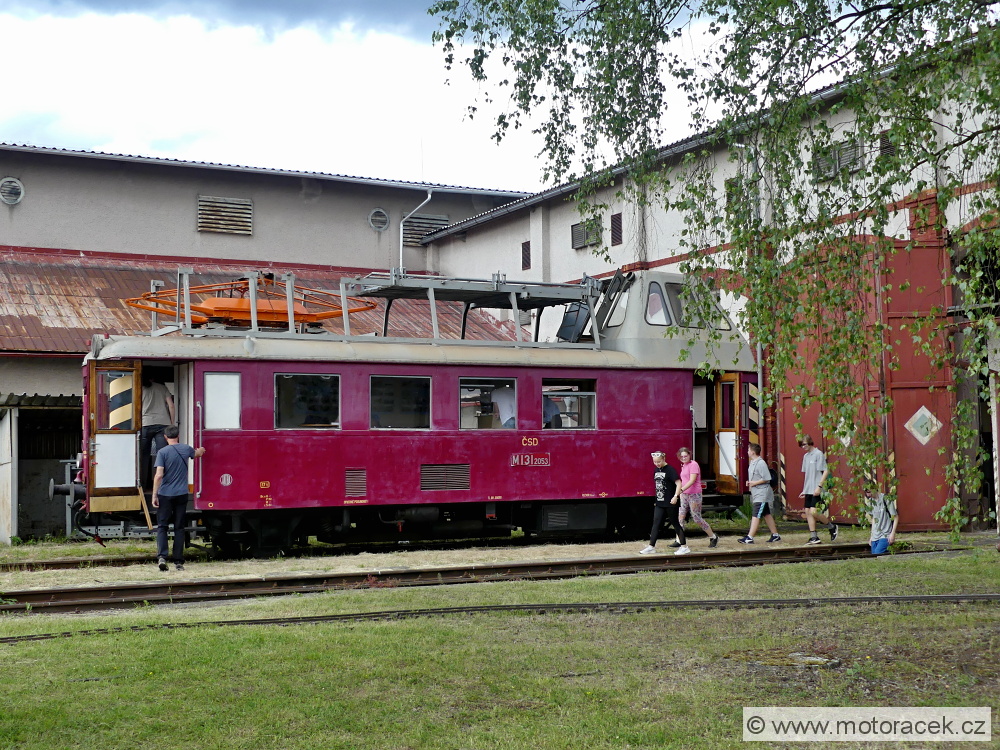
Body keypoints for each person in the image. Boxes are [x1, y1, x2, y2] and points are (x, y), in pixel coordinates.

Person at [151, 425, 206, 572]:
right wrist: (201, 449)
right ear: (178, 436)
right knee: (179, 527)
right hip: (181, 494)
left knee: (162, 526)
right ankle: (178, 561)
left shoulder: (162, 452)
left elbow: (159, 475)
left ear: (165, 437)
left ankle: (162, 557)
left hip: (165, 494)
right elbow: (197, 454)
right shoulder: (186, 449)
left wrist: (155, 494)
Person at [639, 451, 689, 555]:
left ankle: (684, 547)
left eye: (659, 462)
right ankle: (651, 546)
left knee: (675, 523)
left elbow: (679, 483)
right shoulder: (656, 470)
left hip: (671, 501)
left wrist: (676, 496)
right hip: (660, 501)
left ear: (664, 459)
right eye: (655, 462)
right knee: (656, 523)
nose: (657, 464)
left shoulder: (670, 470)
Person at [738, 443, 781, 543]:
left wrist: (754, 483)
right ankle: (775, 535)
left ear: (753, 452)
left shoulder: (761, 463)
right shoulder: (753, 463)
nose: (747, 452)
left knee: (756, 514)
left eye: (748, 450)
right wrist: (750, 482)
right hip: (757, 492)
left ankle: (750, 537)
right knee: (766, 513)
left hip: (762, 493)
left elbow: (767, 478)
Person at [798, 434, 838, 545]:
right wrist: (804, 490)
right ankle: (814, 537)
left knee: (814, 511)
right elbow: (807, 475)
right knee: (807, 511)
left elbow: (825, 471)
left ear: (810, 442)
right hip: (809, 488)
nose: (803, 447)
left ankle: (831, 526)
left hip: (817, 488)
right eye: (801, 445)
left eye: (804, 444)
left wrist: (819, 487)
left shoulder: (818, 454)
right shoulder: (806, 456)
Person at [677, 447, 719, 548]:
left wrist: (681, 489)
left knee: (696, 518)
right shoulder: (684, 466)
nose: (684, 458)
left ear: (689, 455)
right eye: (682, 456)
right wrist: (681, 491)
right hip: (684, 494)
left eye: (685, 456)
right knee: (680, 516)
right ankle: (679, 540)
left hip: (694, 494)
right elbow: (683, 480)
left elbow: (692, 480)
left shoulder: (693, 464)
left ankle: (713, 536)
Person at [140, 375, 175, 489]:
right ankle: (162, 485)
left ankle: (142, 485)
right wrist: (171, 423)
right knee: (162, 454)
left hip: (146, 423)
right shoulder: (162, 388)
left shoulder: (140, 388)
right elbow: (171, 406)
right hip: (163, 423)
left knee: (144, 455)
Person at [865, 487, 898, 555]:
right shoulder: (871, 502)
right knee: (874, 556)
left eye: (869, 492)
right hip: (875, 536)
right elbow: (874, 519)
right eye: (866, 492)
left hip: (885, 534)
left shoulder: (885, 499)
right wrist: (871, 536)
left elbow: (896, 517)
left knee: (877, 553)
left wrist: (892, 533)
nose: (868, 495)